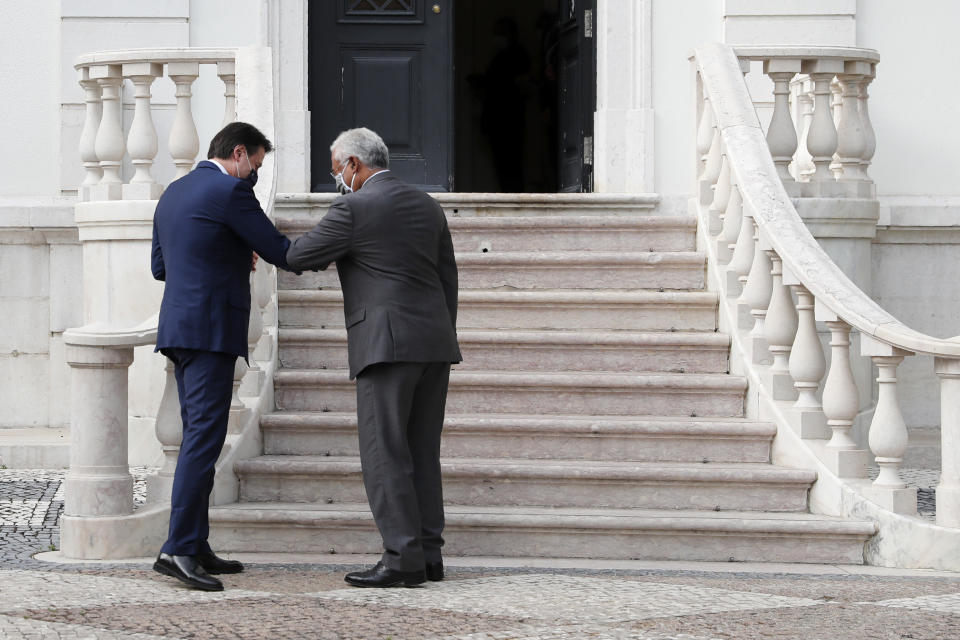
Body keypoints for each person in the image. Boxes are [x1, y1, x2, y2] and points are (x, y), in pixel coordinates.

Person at [286, 127, 461, 588]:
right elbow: (448, 279)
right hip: (434, 344)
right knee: (422, 453)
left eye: (335, 170)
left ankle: (402, 559)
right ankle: (429, 556)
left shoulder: (353, 206)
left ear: (353, 165)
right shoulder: (428, 205)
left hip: (384, 347)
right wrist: (443, 334)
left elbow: (300, 255)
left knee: (384, 453)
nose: (336, 179)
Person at [151, 121, 295, 592]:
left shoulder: (173, 191)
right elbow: (278, 248)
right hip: (211, 332)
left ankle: (196, 543)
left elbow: (160, 267)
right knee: (202, 444)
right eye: (253, 165)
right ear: (237, 153)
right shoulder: (230, 193)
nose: (253, 175)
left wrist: (230, 251)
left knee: (198, 438)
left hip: (179, 329)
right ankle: (177, 549)